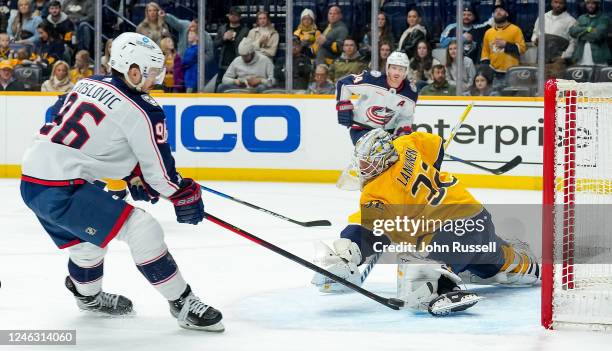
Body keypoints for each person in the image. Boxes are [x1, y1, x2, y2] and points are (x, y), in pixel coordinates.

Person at [20, 32, 224, 332]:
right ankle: (183, 303)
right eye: (152, 72)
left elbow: (61, 115)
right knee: (143, 228)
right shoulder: (143, 109)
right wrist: (185, 195)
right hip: (62, 187)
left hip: (33, 181)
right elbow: (162, 177)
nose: (156, 78)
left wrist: (130, 172)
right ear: (133, 70)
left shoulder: (88, 82)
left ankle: (87, 297)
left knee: (86, 243)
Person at [311, 129, 540, 314]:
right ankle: (525, 264)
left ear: (383, 160)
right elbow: (436, 145)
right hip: (476, 216)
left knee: (422, 275)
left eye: (368, 164)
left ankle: (444, 286)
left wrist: (348, 253)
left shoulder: (376, 191)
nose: (363, 170)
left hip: (449, 235)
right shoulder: (405, 145)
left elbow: (368, 229)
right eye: (362, 163)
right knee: (496, 263)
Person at [335, 51, 416, 145]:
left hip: (388, 133)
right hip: (362, 128)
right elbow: (344, 84)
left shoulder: (410, 92)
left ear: (406, 71)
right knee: (372, 151)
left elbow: (406, 116)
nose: (397, 72)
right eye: (394, 68)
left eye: (401, 69)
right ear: (388, 68)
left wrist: (402, 130)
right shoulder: (372, 80)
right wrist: (344, 107)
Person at [480, 2, 526, 92]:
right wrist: (487, 73)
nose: (498, 12)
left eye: (501, 10)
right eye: (496, 11)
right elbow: (485, 53)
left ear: (507, 14)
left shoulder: (515, 30)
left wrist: (506, 45)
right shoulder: (488, 32)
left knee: (511, 99)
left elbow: (522, 49)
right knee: (495, 98)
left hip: (512, 73)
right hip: (494, 74)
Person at [214, 6, 249, 90]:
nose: (233, 16)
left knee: (237, 89)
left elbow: (248, 48)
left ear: (240, 17)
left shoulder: (245, 30)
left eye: (236, 15)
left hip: (239, 64)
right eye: (231, 14)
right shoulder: (222, 28)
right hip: (223, 63)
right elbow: (215, 44)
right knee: (218, 88)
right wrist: (224, 39)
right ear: (228, 16)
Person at [569, 0, 610, 66]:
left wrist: (579, 35)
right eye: (588, 3)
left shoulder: (604, 19)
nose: (590, 6)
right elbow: (572, 31)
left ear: (598, 5)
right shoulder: (581, 18)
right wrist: (588, 29)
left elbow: (598, 36)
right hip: (580, 58)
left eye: (593, 3)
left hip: (599, 59)